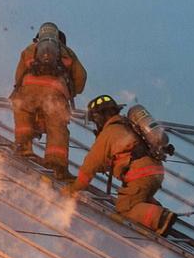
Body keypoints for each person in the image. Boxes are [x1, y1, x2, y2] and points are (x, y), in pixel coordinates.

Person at [63, 94, 177, 236]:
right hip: (155, 171)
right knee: (135, 196)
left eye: (95, 120)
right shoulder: (128, 126)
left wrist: (74, 188)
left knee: (124, 208)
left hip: (140, 174)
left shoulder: (109, 132)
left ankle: (160, 218)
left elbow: (89, 166)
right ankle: (152, 208)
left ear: (99, 117)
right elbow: (112, 160)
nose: (96, 124)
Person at [9, 21, 87, 180]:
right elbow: (81, 77)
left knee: (23, 114)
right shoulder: (68, 53)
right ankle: (55, 164)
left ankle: (24, 146)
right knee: (57, 127)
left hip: (29, 89)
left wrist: (21, 89)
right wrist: (71, 91)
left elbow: (19, 74)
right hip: (55, 92)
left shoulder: (30, 49)